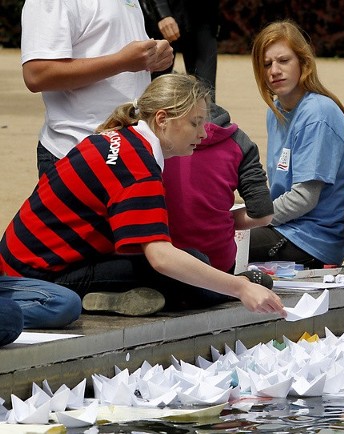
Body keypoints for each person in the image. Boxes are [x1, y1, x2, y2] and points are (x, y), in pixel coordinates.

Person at [0, 74, 285, 318]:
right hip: (33, 275)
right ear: (162, 120)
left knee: (193, 263)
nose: (203, 132)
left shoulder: (121, 139)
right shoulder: (137, 166)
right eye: (195, 123)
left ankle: (109, 297)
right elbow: (160, 257)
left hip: (31, 259)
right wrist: (240, 288)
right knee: (189, 277)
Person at [248, 20, 344, 269]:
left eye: (283, 61)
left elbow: (304, 198)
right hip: (286, 226)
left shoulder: (318, 113)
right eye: (266, 64)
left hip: (312, 240)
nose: (274, 70)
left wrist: (247, 218)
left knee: (216, 246)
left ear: (303, 62)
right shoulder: (276, 110)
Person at [20, 0, 174, 176]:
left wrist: (154, 57)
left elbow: (116, 48)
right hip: (77, 152)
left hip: (132, 149)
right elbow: (37, 75)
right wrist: (122, 62)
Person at [163, 103, 273, 273]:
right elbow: (263, 214)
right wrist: (215, 219)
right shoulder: (239, 140)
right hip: (219, 264)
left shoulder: (153, 135)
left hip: (163, 261)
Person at [140, 0, 219, 99]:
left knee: (206, 92)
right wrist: (162, 12)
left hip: (203, 18)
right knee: (154, 92)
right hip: (161, 20)